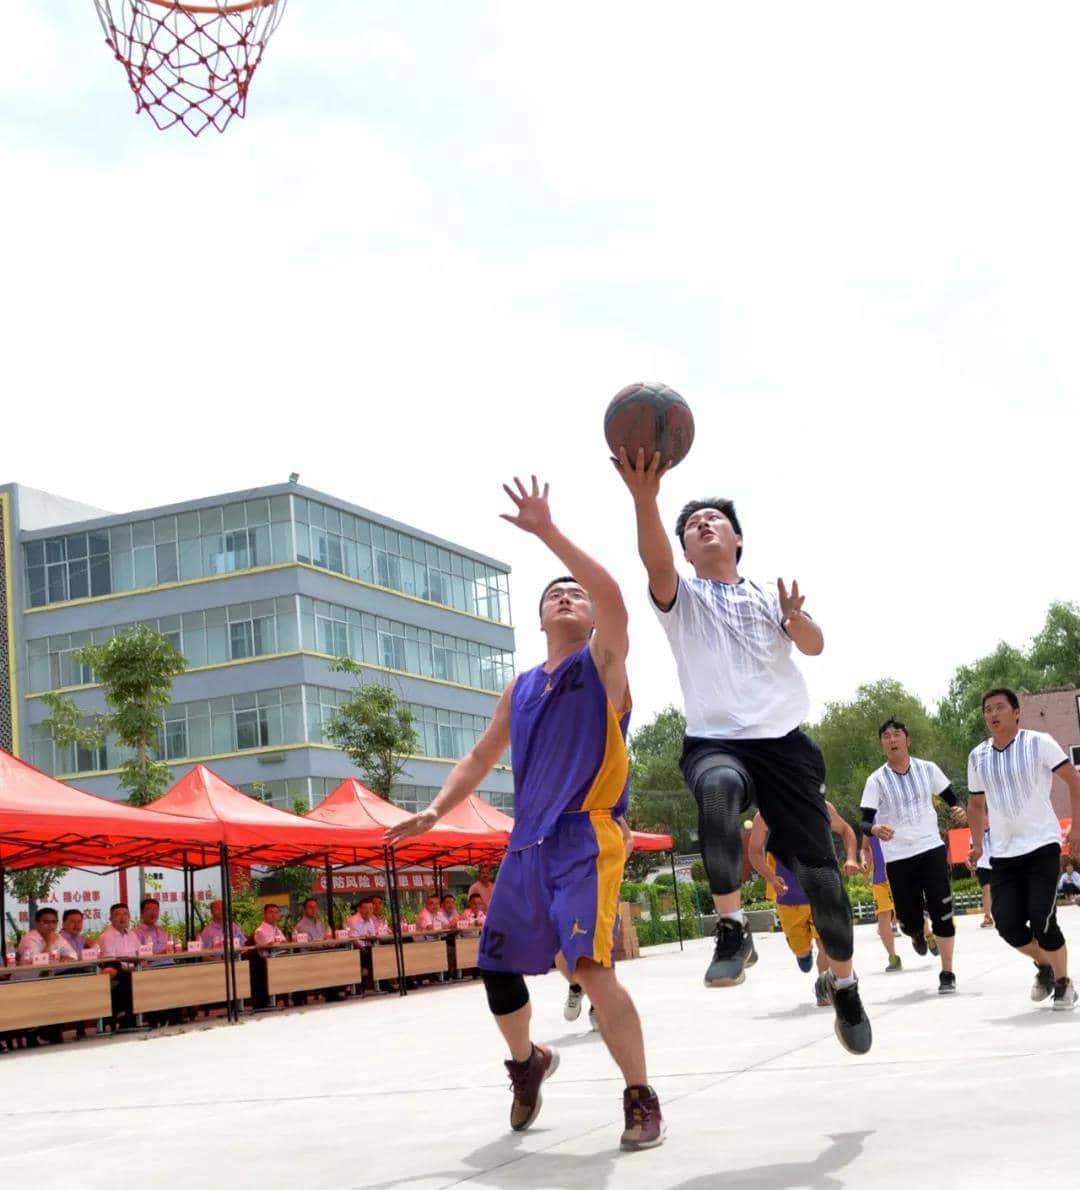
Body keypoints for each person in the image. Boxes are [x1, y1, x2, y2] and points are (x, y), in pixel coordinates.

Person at [388, 476, 664, 1150]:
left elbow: (615, 597)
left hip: (585, 835)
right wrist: (436, 809)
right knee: (496, 965)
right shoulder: (521, 688)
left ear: (591, 617)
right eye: (553, 595)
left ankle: (640, 1096)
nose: (566, 596)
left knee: (591, 969)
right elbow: (480, 755)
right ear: (539, 620)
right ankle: (527, 1062)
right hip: (526, 846)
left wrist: (547, 532)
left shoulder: (602, 664)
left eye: (575, 593)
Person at [616, 452, 870, 1054]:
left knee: (823, 880)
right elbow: (654, 560)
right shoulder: (681, 596)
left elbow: (815, 645)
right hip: (716, 739)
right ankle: (732, 929)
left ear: (738, 540)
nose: (703, 525)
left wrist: (796, 621)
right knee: (718, 793)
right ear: (685, 550)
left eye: (714, 520)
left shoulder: (768, 597)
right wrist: (645, 497)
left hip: (785, 746)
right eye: (691, 525)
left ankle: (845, 983)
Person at [967, 688, 1080, 1011]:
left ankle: (1063, 983)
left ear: (1016, 712)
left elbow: (1074, 780)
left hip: (1042, 845)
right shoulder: (978, 756)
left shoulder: (1038, 742)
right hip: (1003, 854)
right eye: (988, 709)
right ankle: (1046, 965)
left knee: (1041, 918)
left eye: (999, 707)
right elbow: (975, 804)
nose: (993, 714)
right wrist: (977, 844)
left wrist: (1077, 827)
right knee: (1007, 924)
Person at [860, 719, 965, 994]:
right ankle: (917, 932)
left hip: (931, 848)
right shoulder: (876, 780)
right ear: (882, 745)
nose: (892, 739)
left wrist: (957, 808)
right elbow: (864, 821)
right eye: (886, 736)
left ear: (908, 739)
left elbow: (952, 798)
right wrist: (874, 829)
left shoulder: (927, 769)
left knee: (943, 912)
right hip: (898, 857)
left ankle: (947, 972)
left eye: (897, 734)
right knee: (907, 920)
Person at [748, 802, 860, 1000]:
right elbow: (754, 852)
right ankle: (803, 953)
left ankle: (825, 990)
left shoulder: (818, 804)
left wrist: (851, 858)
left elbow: (845, 829)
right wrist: (771, 877)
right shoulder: (766, 813)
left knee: (825, 944)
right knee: (802, 951)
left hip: (820, 891)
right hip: (789, 898)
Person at [859, 832, 901, 971]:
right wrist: (864, 862)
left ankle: (926, 935)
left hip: (899, 874)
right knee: (883, 919)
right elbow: (865, 848)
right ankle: (893, 957)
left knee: (911, 912)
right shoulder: (869, 822)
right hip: (879, 880)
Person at [97, 903, 141, 1025]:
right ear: (110, 918)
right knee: (129, 979)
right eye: (117, 914)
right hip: (113, 974)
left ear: (129, 917)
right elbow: (111, 963)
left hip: (132, 971)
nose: (122, 917)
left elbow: (140, 954)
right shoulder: (106, 936)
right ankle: (125, 1018)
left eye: (125, 914)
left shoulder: (132, 934)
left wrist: (144, 964)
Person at [973, 826, 994, 927]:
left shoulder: (995, 827)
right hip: (982, 864)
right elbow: (972, 849)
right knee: (986, 889)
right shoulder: (975, 831)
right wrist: (973, 864)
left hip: (997, 861)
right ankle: (987, 916)